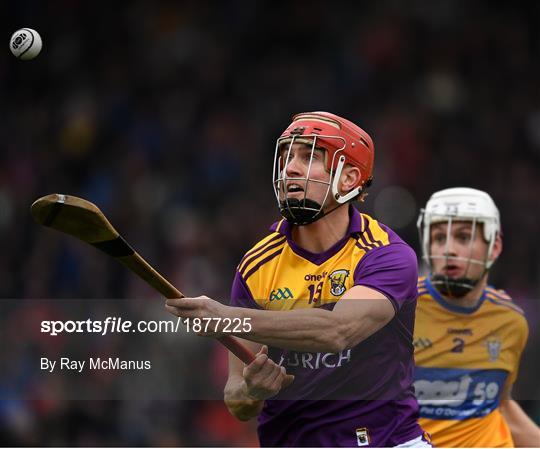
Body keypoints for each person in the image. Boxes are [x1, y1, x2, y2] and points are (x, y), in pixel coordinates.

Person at [166, 111, 430, 447]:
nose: (290, 167)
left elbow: (338, 330)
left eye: (309, 157)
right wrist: (252, 390)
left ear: (348, 178)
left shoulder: (385, 254)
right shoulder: (257, 265)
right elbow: (236, 397)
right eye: (288, 155)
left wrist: (226, 317)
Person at [414, 187, 540, 447]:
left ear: (494, 247)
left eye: (463, 237)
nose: (449, 249)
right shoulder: (396, 310)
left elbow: (500, 405)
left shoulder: (511, 321)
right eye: (439, 238)